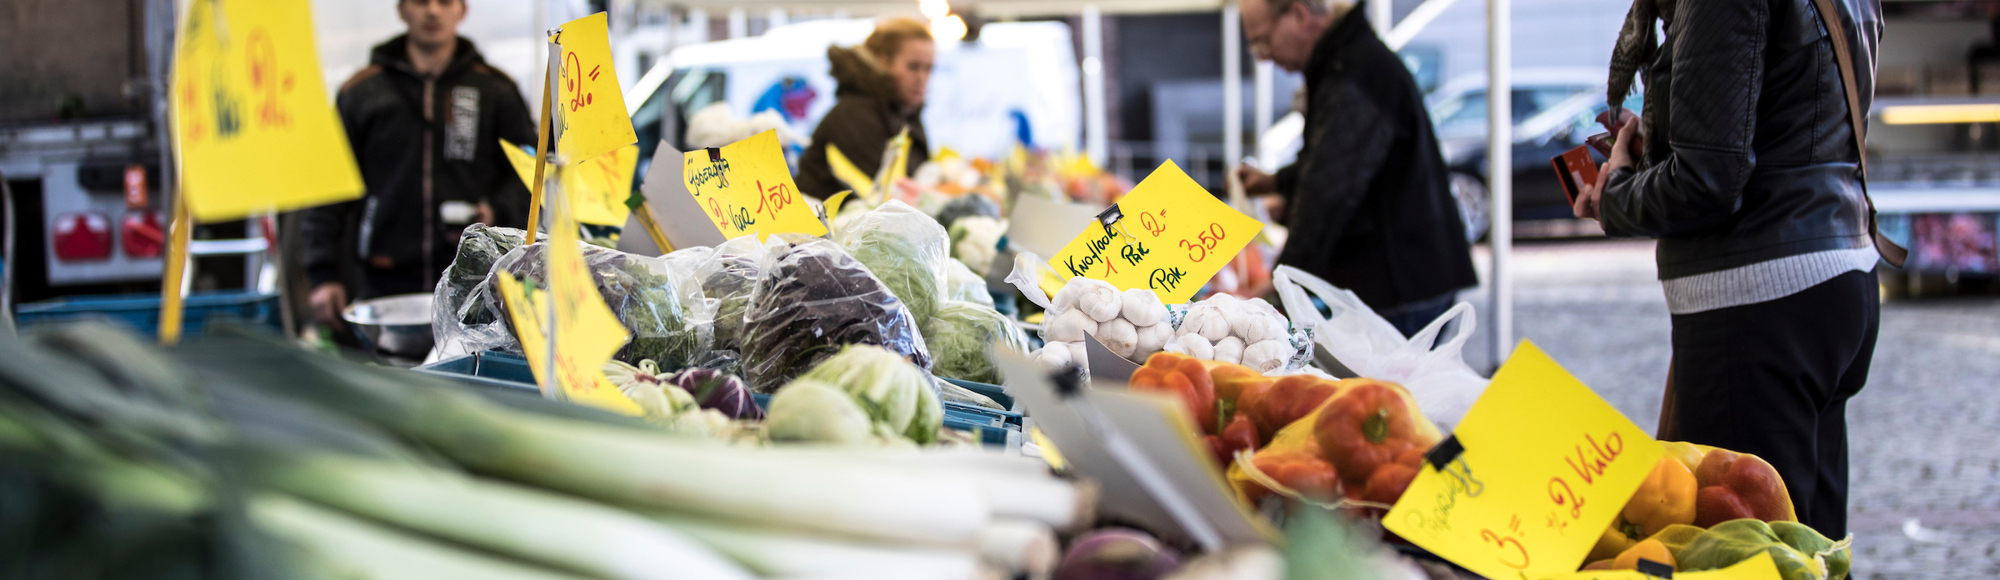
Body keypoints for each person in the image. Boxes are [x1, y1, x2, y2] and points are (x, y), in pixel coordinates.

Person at [1573, 0, 1885, 539]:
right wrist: (1666, 144)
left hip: (1759, 298)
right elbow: (1783, 112)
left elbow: (1706, 182)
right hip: (1833, 268)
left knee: (1745, 555)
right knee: (1809, 546)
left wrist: (1615, 194)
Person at [1234, 0, 1478, 337]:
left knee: (1390, 389)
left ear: (1300, 16)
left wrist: (1282, 285)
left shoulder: (1354, 71)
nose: (1263, 55)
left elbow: (1328, 188)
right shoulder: (1345, 62)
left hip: (1400, 285)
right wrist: (1276, 181)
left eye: (1263, 40)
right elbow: (1333, 160)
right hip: (1403, 277)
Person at [301, 0, 536, 331]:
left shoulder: (495, 90)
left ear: (461, 10)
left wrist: (494, 211)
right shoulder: (362, 92)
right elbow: (328, 185)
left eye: (444, 2)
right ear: (402, 10)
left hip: (475, 282)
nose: (432, 12)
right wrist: (322, 274)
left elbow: (530, 174)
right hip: (383, 282)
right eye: (421, 1)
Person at [795, 17, 935, 199]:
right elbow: (888, 196)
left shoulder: (902, 113)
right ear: (883, 62)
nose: (922, 78)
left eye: (929, 68)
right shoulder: (853, 116)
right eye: (913, 67)